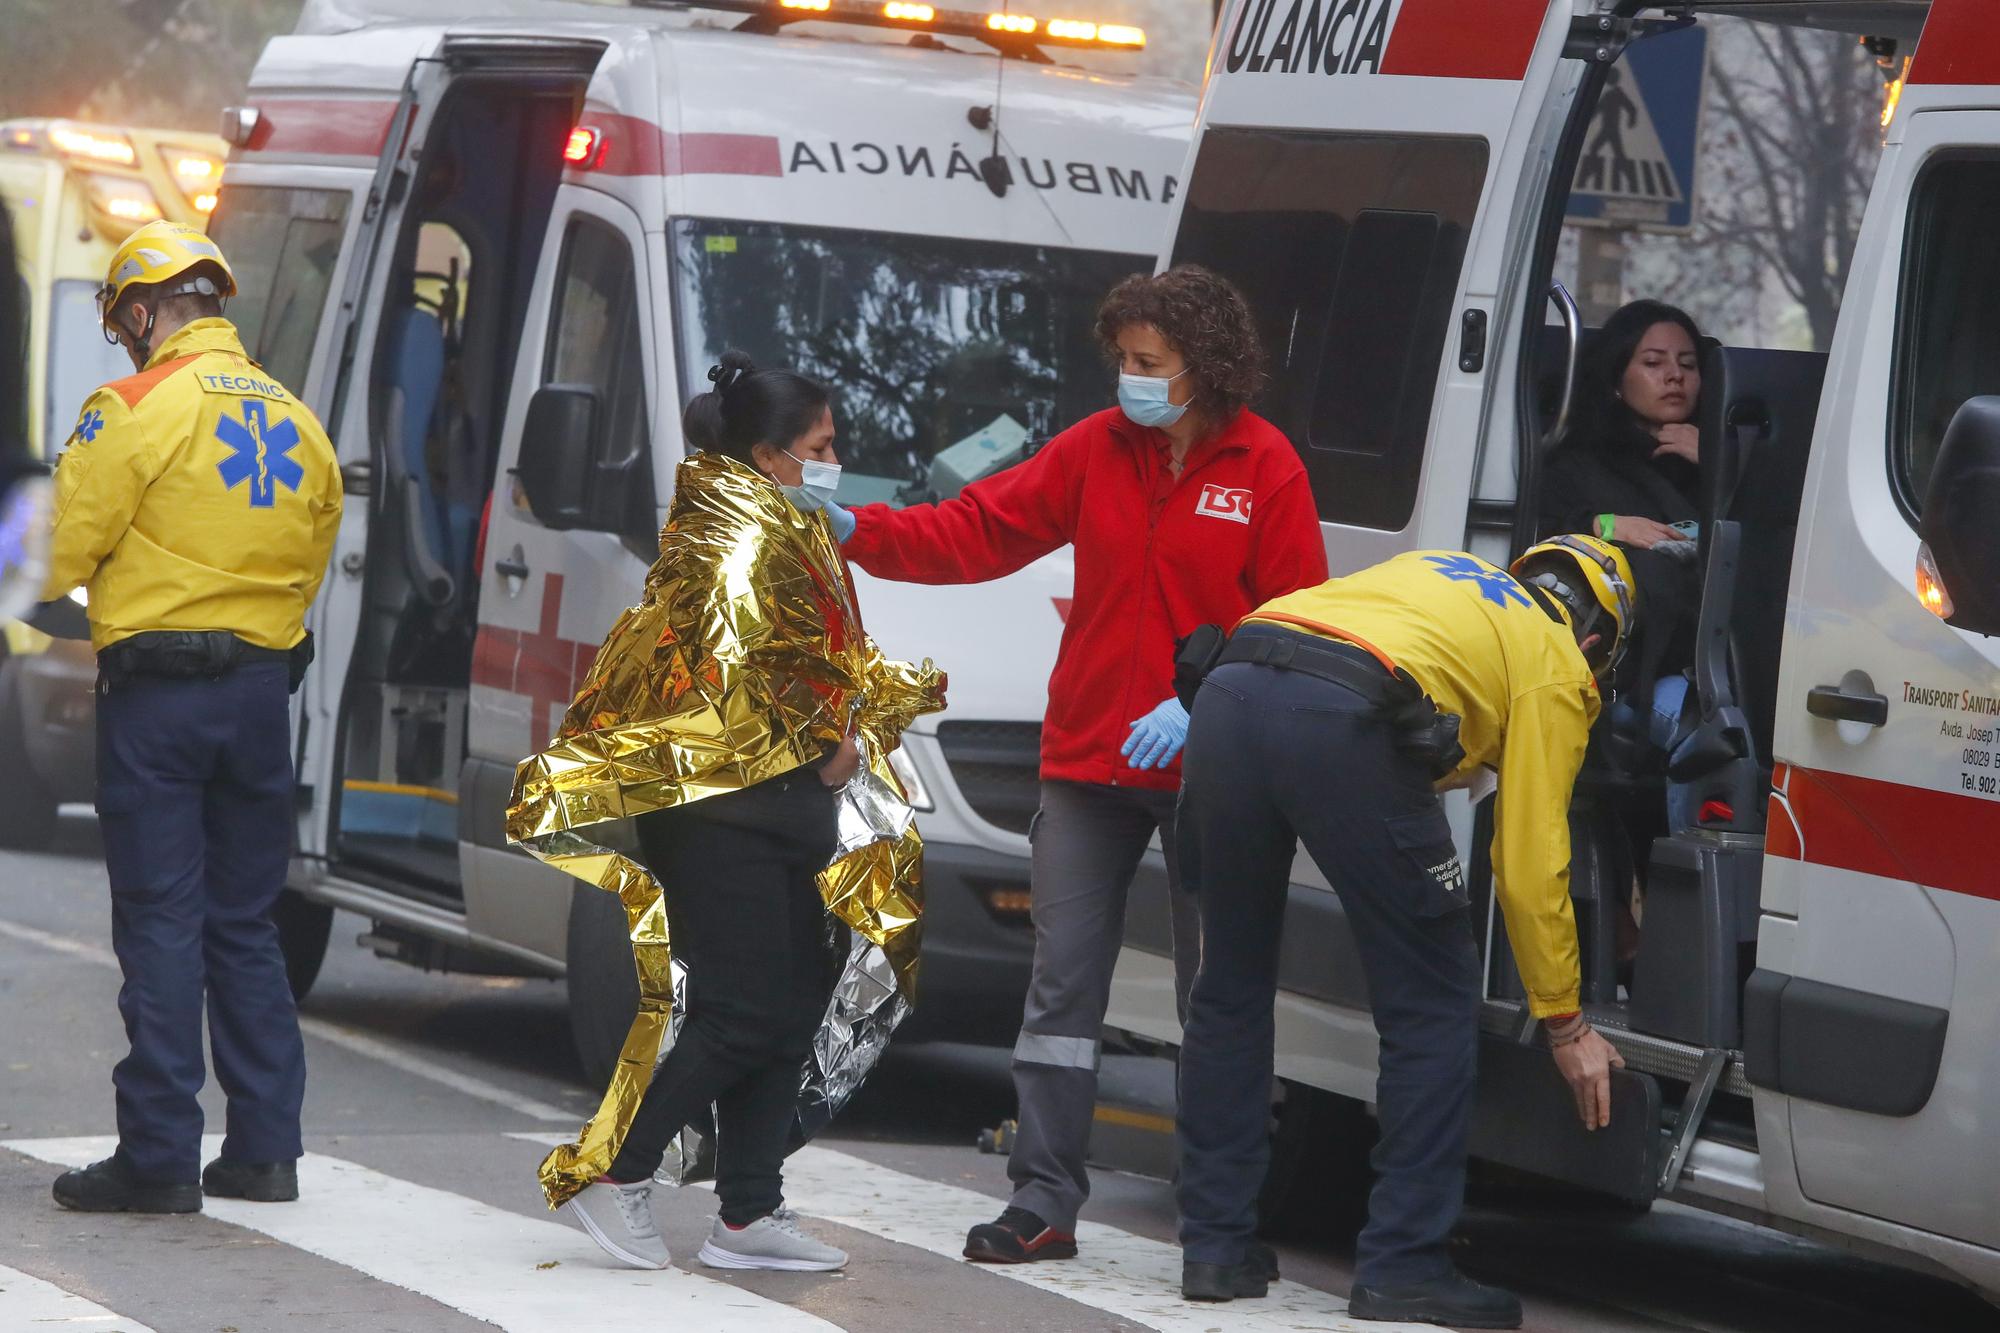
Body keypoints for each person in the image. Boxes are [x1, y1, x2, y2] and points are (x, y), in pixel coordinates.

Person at [828, 265, 1328, 1264]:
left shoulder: (1263, 467)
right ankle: (1043, 1200)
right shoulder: (1098, 450)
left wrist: (1199, 707)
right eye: (1123, 360)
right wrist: (855, 532)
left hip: (1210, 773)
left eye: (1149, 362)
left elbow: (1297, 621)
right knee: (1059, 991)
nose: (1130, 381)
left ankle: (1218, 1213)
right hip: (1087, 760)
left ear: (1206, 365)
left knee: (1213, 996)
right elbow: (977, 528)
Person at [1173, 538, 1634, 1328]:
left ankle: (1214, 1246)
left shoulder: (1441, 572)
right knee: (1432, 1000)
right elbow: (1527, 862)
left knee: (1231, 980)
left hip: (1232, 683)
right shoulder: (1558, 658)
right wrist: (1566, 1020)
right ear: (1597, 640)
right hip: (1344, 716)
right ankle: (1404, 1265)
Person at [41, 220, 342, 1214]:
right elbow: (310, 559)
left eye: (124, 320)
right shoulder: (298, 421)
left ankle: (160, 1155)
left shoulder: (130, 406)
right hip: (260, 699)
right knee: (244, 924)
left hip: (160, 702)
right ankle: (265, 1150)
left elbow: (54, 550)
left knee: (162, 922)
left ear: (139, 311)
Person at [562, 354, 872, 1274]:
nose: (833, 458)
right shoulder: (730, 537)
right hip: (722, 810)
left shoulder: (779, 526)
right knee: (740, 1012)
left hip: (778, 807)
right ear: (773, 455)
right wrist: (825, 741)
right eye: (821, 445)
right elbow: (725, 669)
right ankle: (615, 1175)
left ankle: (749, 1211)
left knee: (789, 1007)